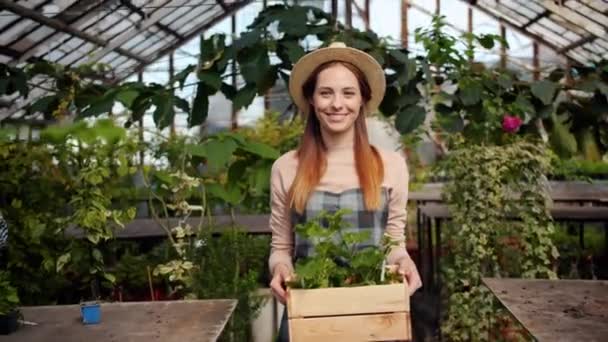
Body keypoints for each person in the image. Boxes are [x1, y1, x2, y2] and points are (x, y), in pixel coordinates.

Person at [268, 42, 422, 341]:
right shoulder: (286, 168)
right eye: (326, 93)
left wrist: (404, 262)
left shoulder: (391, 166)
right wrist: (281, 270)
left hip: (374, 310)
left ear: (362, 99)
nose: (337, 104)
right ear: (312, 99)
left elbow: (393, 242)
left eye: (348, 93)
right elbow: (281, 248)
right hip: (308, 310)